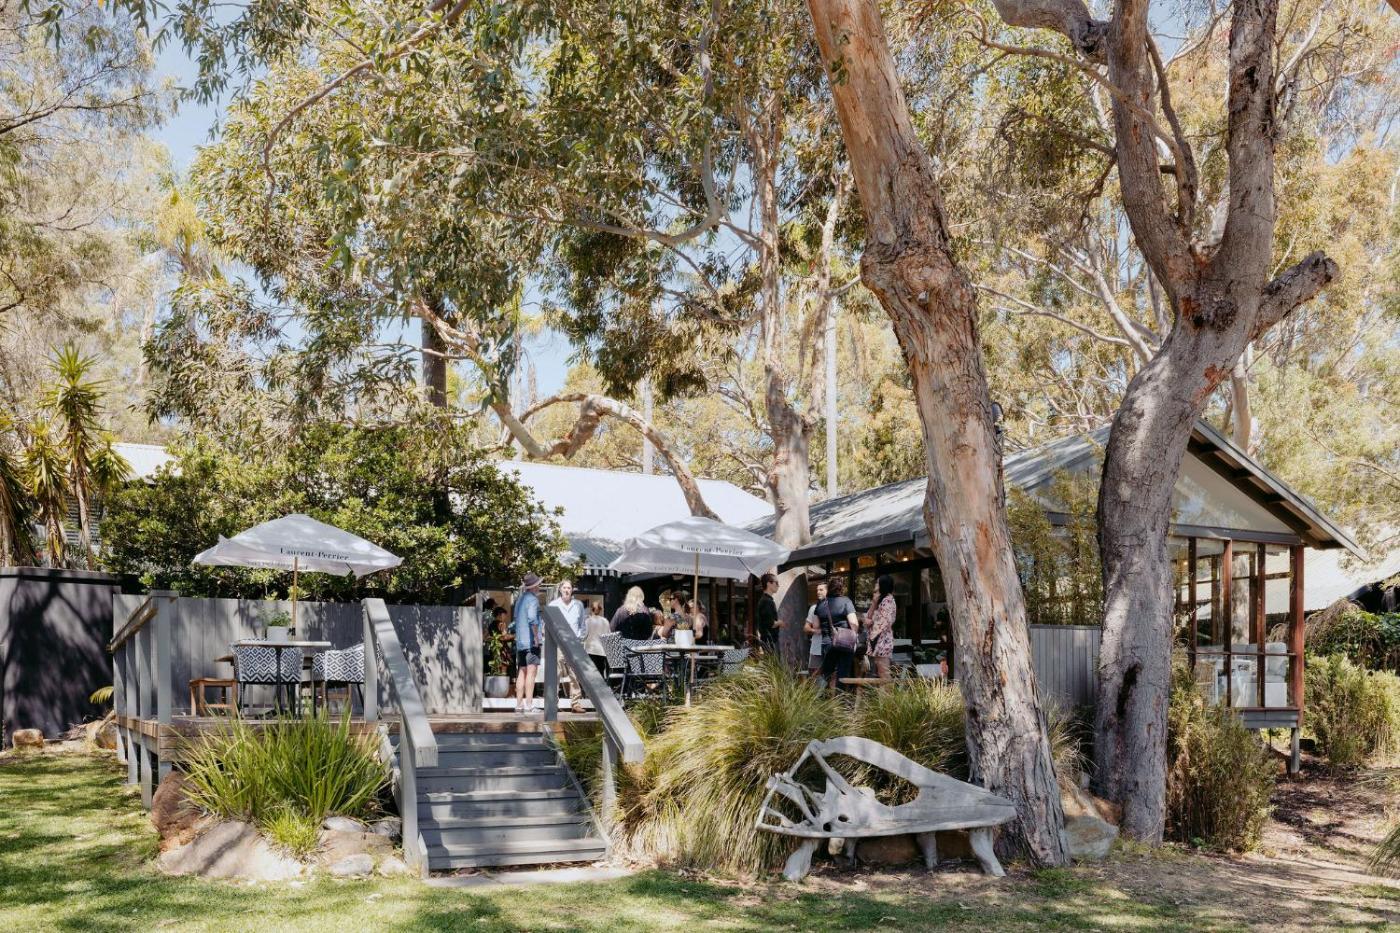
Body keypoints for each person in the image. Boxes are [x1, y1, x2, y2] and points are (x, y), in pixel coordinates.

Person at [547, 579, 589, 713]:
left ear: (572, 590)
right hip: (559, 643)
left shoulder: (578, 605)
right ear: (560, 589)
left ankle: (575, 704)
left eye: (569, 588)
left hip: (574, 643)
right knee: (556, 674)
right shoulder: (554, 605)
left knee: (575, 675)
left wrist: (579, 639)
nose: (566, 590)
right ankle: (553, 703)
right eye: (564, 588)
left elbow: (582, 624)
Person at [815, 576, 860, 690]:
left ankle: (820, 697)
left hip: (827, 643)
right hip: (844, 642)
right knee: (842, 673)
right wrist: (854, 637)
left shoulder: (820, 604)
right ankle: (840, 698)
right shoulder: (846, 601)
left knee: (826, 673)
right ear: (841, 589)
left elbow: (815, 626)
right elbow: (854, 623)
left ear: (829, 588)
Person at [512, 573, 543, 714]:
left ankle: (519, 705)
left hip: (520, 642)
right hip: (531, 642)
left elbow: (516, 618)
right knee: (531, 673)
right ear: (534, 586)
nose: (539, 586)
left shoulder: (520, 599)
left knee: (522, 672)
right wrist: (536, 637)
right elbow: (532, 619)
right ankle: (529, 705)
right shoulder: (533, 600)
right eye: (538, 584)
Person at [865, 574, 897, 679]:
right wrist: (874, 603)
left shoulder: (888, 600)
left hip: (882, 640)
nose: (875, 584)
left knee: (883, 672)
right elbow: (868, 617)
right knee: (880, 672)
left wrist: (871, 624)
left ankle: (887, 690)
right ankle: (884, 690)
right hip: (877, 639)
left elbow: (884, 622)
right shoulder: (880, 600)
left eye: (877, 583)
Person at [804, 580, 828, 676]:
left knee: (831, 676)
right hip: (816, 648)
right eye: (817, 590)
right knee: (814, 676)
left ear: (828, 591)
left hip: (831, 648)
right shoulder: (813, 608)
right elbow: (806, 628)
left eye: (821, 590)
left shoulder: (834, 607)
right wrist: (816, 631)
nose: (818, 592)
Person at [584, 601, 610, 680]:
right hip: (602, 650)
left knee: (591, 674)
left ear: (591, 609)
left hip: (591, 650)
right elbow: (608, 635)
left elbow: (584, 635)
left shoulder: (588, 621)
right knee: (601, 672)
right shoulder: (605, 621)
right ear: (600, 610)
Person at [755, 572, 781, 653]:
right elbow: (770, 624)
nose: (778, 585)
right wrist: (780, 622)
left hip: (768, 641)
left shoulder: (765, 600)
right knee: (774, 660)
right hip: (770, 642)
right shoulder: (767, 601)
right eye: (776, 583)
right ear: (769, 584)